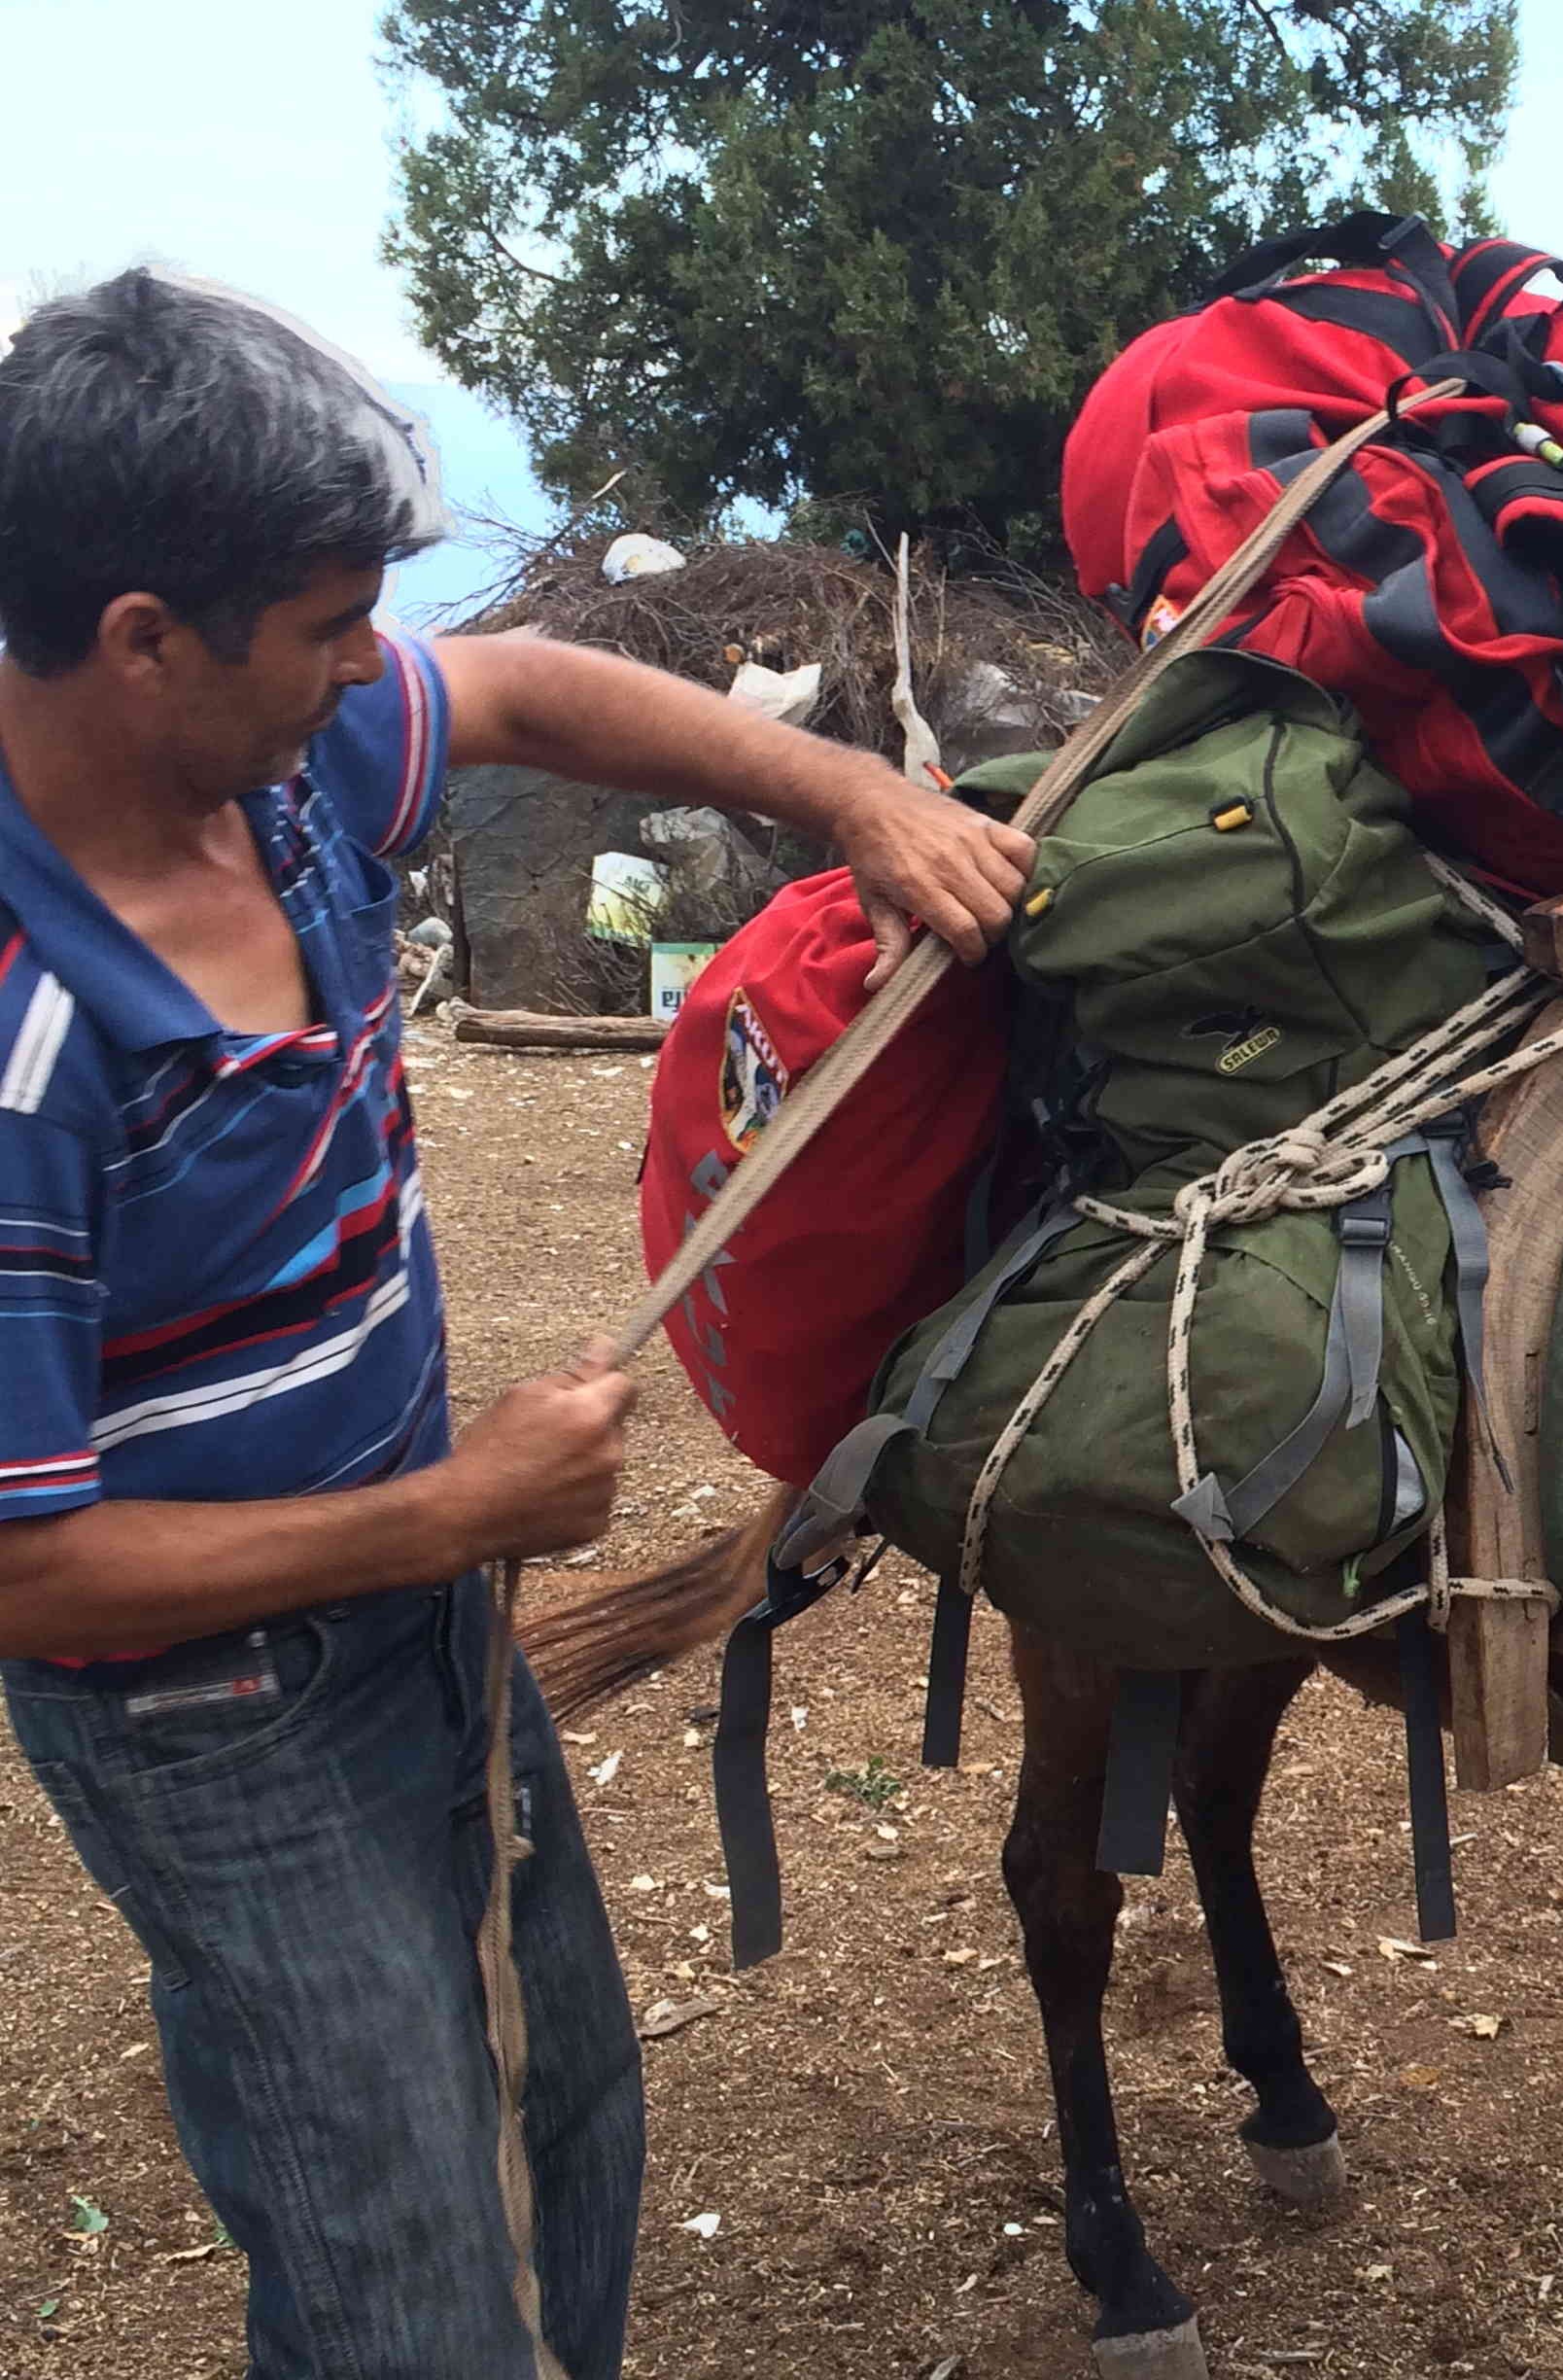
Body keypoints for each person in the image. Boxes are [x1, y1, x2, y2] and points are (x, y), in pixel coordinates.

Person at [0, 271, 1037, 2379]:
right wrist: (452, 1510)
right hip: (211, 1713)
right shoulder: (26, 1033)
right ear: (139, 642)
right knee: (401, 2274)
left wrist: (849, 803)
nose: (368, 673)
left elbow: (534, 688)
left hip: (420, 1606)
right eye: (324, 631)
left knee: (565, 2115)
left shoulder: (278, 770)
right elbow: (26, 1565)